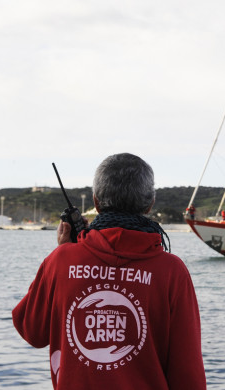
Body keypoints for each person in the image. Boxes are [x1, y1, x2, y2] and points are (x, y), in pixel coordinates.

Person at [12, 153, 206, 390]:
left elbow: (31, 331)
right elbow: (188, 373)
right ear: (150, 203)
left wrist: (61, 256)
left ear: (95, 201)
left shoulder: (60, 261)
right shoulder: (172, 271)